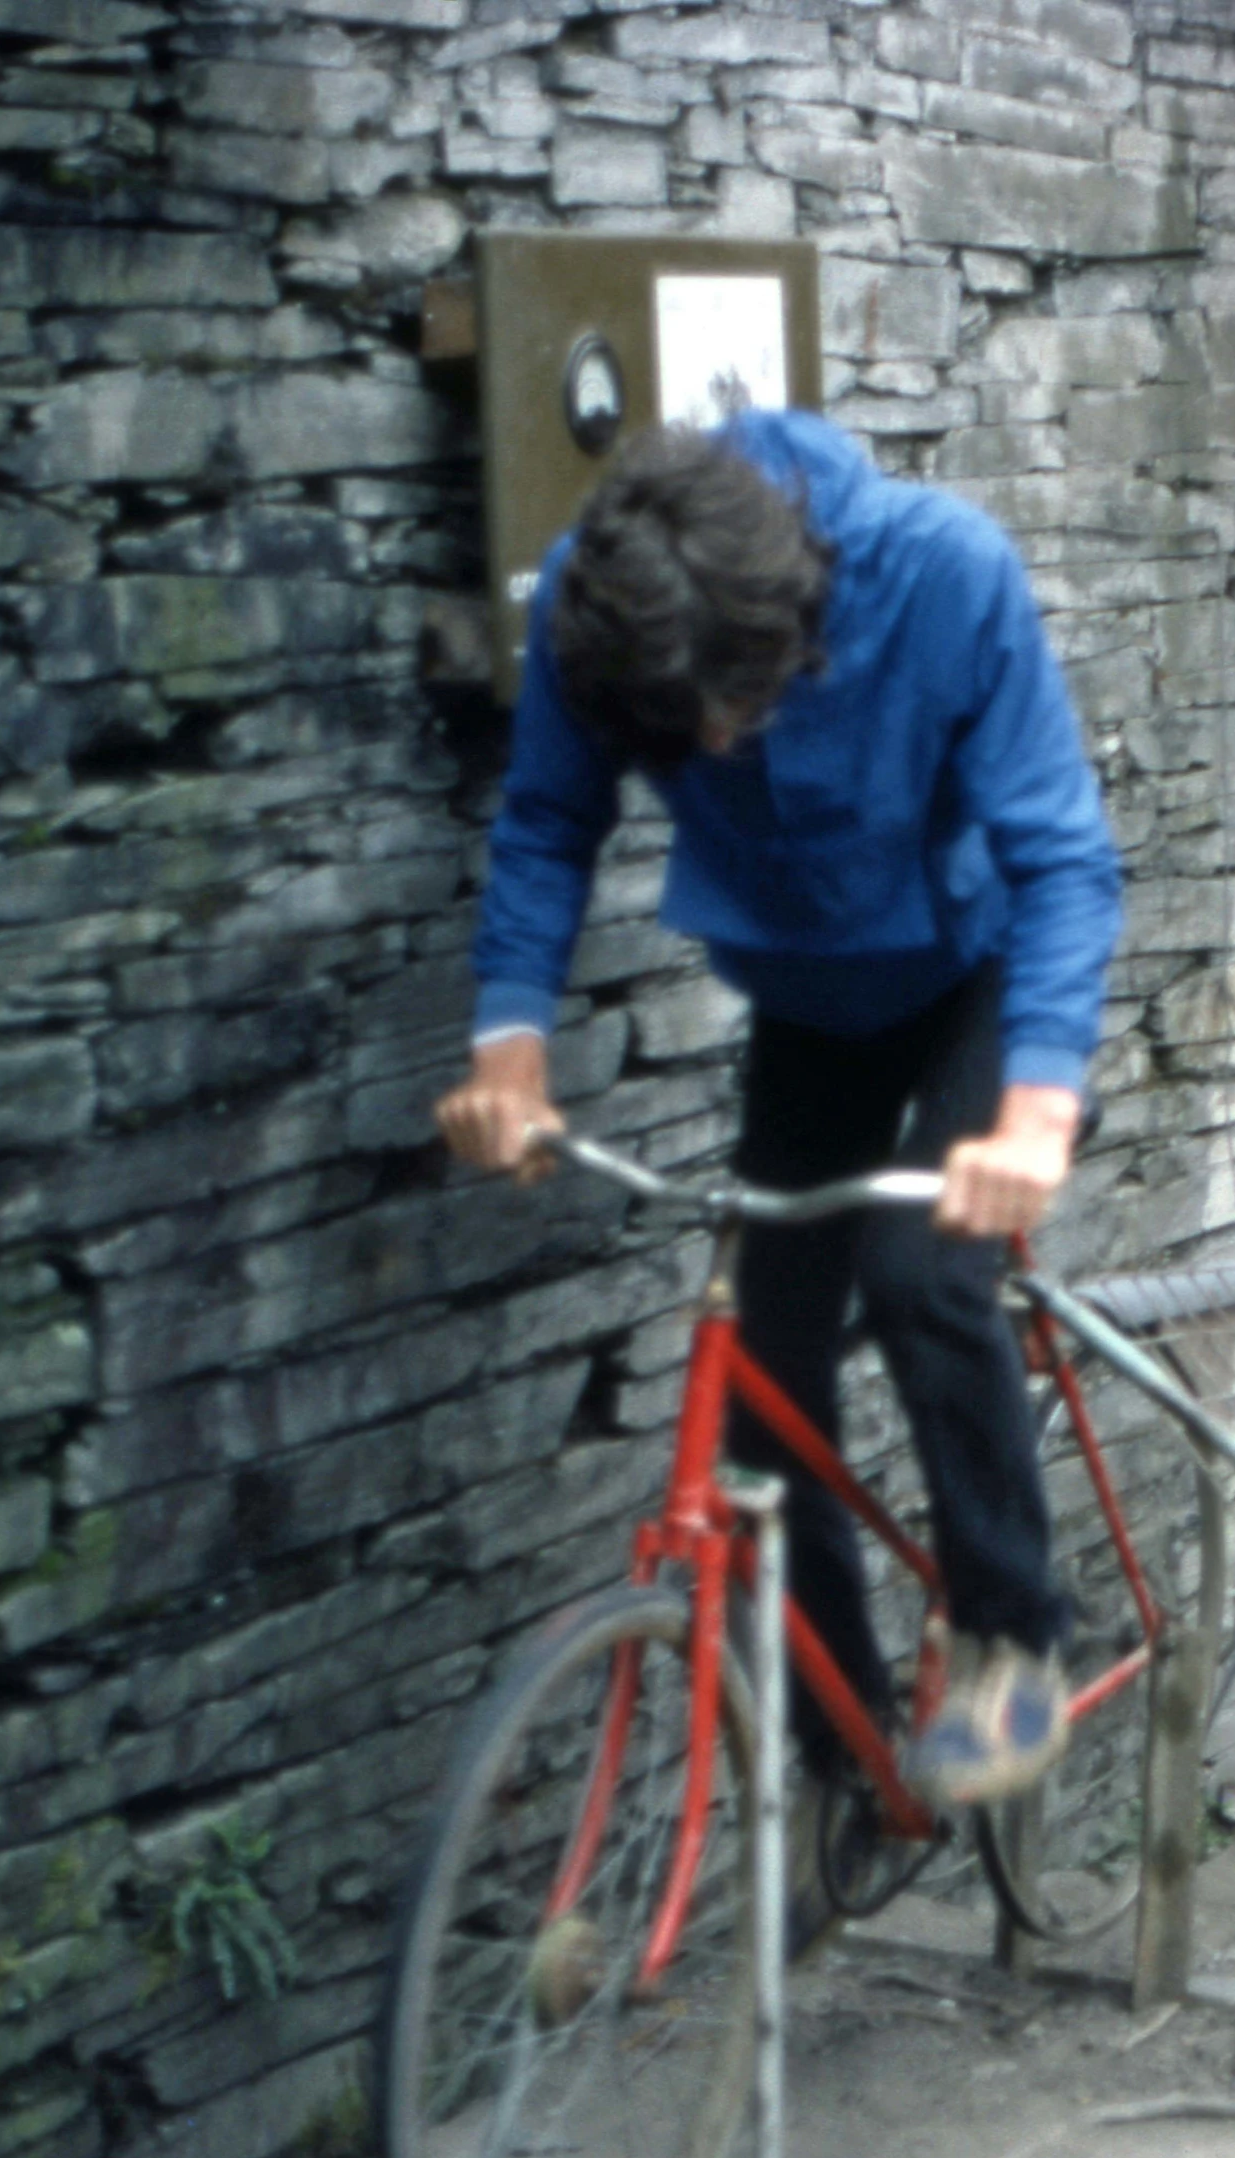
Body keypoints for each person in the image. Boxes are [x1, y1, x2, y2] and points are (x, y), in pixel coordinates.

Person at [436, 412, 1124, 1811]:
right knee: (762, 1373)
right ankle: (846, 1755)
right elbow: (548, 822)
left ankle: (1017, 1639)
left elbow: (1061, 857)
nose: (721, 745)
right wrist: (508, 1042)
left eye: (737, 711)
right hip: (810, 1000)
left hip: (967, 976)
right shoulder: (598, 599)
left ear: (792, 609)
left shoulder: (941, 571)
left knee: (925, 1268)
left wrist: (1036, 1114)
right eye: (690, 739)